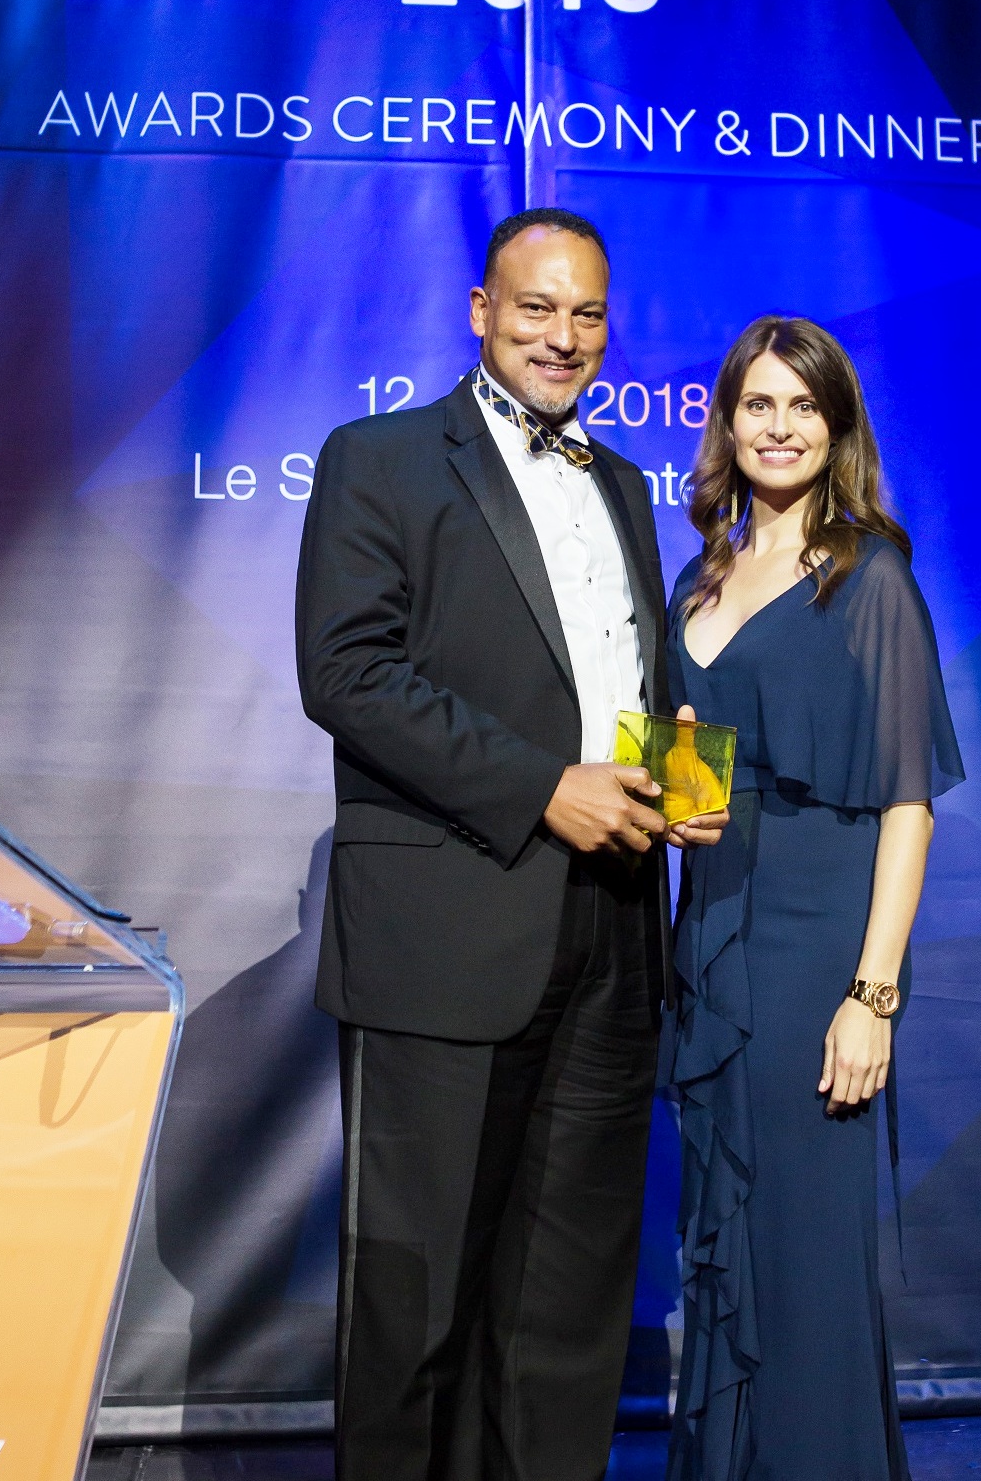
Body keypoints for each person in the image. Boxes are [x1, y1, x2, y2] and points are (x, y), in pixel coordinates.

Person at [296, 208, 727, 1481]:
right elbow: (346, 671)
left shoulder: (624, 485)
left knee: (567, 1311)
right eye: (536, 306)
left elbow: (631, 689)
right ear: (479, 309)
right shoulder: (378, 457)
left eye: (587, 312)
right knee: (414, 1305)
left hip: (611, 929)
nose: (563, 334)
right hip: (448, 933)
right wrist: (546, 786)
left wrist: (680, 775)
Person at [663, 316, 964, 1481]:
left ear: (835, 427)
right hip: (713, 934)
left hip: (816, 948)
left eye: (802, 406)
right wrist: (676, 802)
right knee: (725, 1249)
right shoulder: (702, 569)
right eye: (757, 404)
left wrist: (871, 994)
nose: (778, 427)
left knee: (806, 1256)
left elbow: (905, 804)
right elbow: (694, 753)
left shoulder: (870, 577)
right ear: (727, 422)